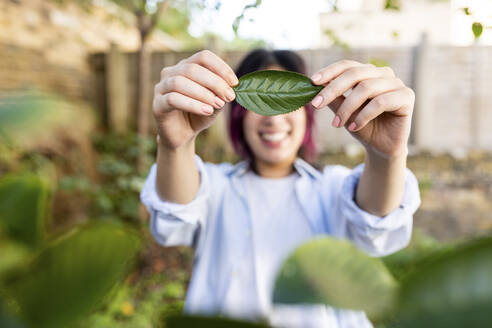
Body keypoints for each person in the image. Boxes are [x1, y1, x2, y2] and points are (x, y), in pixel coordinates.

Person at [140, 49, 421, 328]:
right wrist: (174, 145)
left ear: (308, 116)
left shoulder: (332, 187)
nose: (273, 119)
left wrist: (388, 156)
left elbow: (377, 217)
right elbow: (174, 212)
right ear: (238, 115)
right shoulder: (215, 186)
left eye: (287, 103)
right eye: (261, 105)